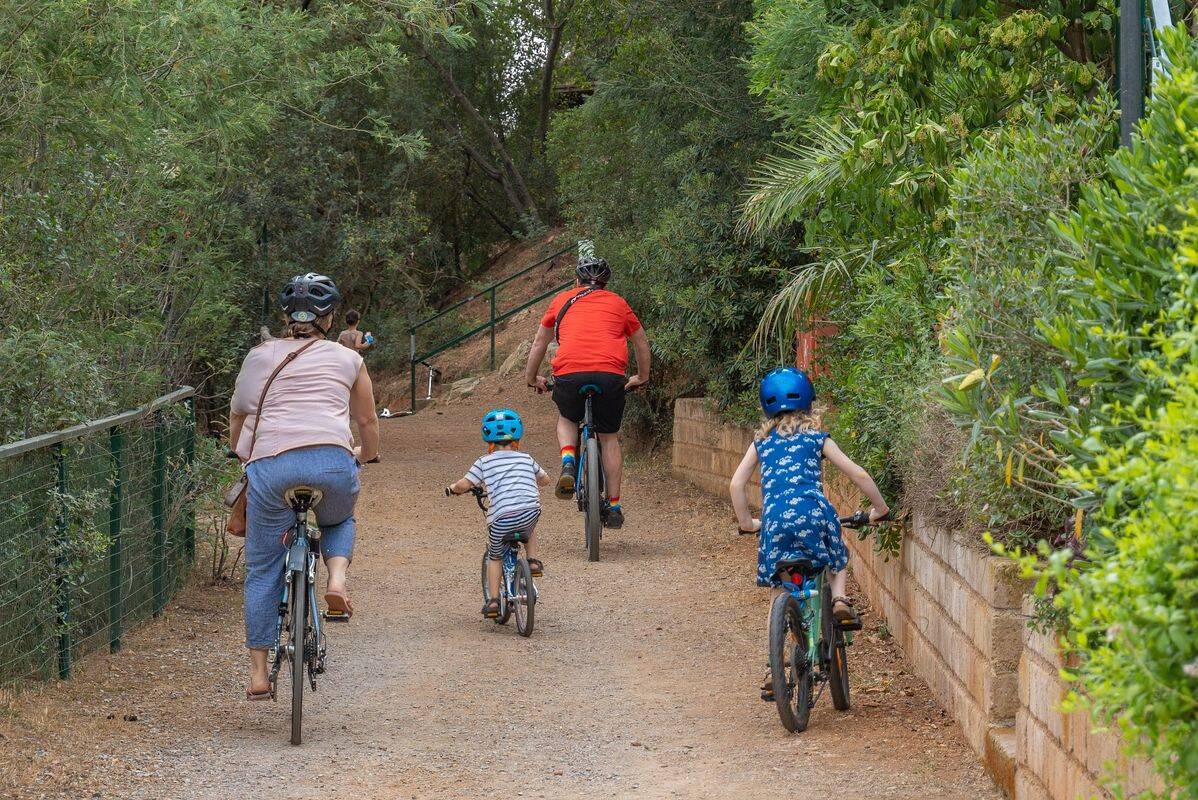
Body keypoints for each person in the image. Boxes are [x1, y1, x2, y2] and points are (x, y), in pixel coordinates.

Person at [228, 273, 380, 701]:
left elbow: (239, 415)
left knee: (262, 569)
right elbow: (366, 422)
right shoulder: (350, 360)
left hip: (271, 466)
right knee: (339, 517)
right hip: (332, 461)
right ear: (329, 319)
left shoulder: (259, 356)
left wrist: (238, 452)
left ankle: (259, 672)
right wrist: (364, 455)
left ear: (285, 316)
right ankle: (336, 581)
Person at [729, 367, 889, 699]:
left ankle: (775, 668)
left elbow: (736, 484)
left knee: (778, 589)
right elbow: (857, 473)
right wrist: (880, 509)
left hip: (774, 524)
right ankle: (841, 598)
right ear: (809, 404)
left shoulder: (761, 443)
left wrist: (748, 523)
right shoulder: (817, 438)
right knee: (836, 552)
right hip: (813, 515)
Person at [523, 257, 650, 529]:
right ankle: (614, 506)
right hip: (610, 375)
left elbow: (539, 343)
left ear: (576, 280)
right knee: (609, 437)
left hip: (570, 372)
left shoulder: (561, 301)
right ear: (606, 282)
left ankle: (568, 461)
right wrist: (642, 377)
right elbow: (641, 342)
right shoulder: (618, 303)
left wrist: (532, 378)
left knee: (568, 417)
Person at [446, 409, 551, 618]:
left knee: (495, 556)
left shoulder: (484, 461)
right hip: (530, 511)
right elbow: (545, 479)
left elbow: (464, 484)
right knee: (529, 529)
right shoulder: (526, 458)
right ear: (516, 437)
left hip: (502, 518)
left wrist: (452, 489)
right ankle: (532, 561)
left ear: (489, 439)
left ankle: (493, 601)